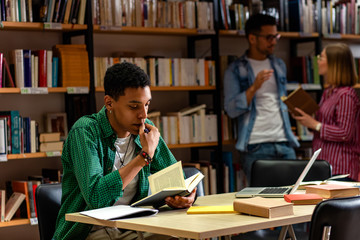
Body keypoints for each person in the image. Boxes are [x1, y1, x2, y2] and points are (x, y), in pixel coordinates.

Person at [53, 62, 196, 240]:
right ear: (109, 103)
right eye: (134, 106)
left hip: (134, 224)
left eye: (147, 105)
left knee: (184, 235)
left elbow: (177, 180)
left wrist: (186, 196)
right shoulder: (85, 133)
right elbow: (97, 198)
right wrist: (143, 157)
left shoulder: (146, 131)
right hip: (90, 230)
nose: (143, 115)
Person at [223, 13, 299, 182]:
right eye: (269, 37)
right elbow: (231, 109)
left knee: (294, 199)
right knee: (262, 201)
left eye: (276, 36)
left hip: (285, 142)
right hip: (256, 146)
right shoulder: (235, 70)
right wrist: (254, 87)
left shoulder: (279, 65)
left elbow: (282, 100)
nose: (274, 41)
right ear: (252, 38)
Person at [293, 43, 360, 182]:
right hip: (325, 165)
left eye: (321, 57)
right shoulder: (328, 92)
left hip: (340, 168)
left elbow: (345, 133)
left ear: (334, 63)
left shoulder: (345, 95)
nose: (317, 61)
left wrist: (316, 125)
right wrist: (307, 121)